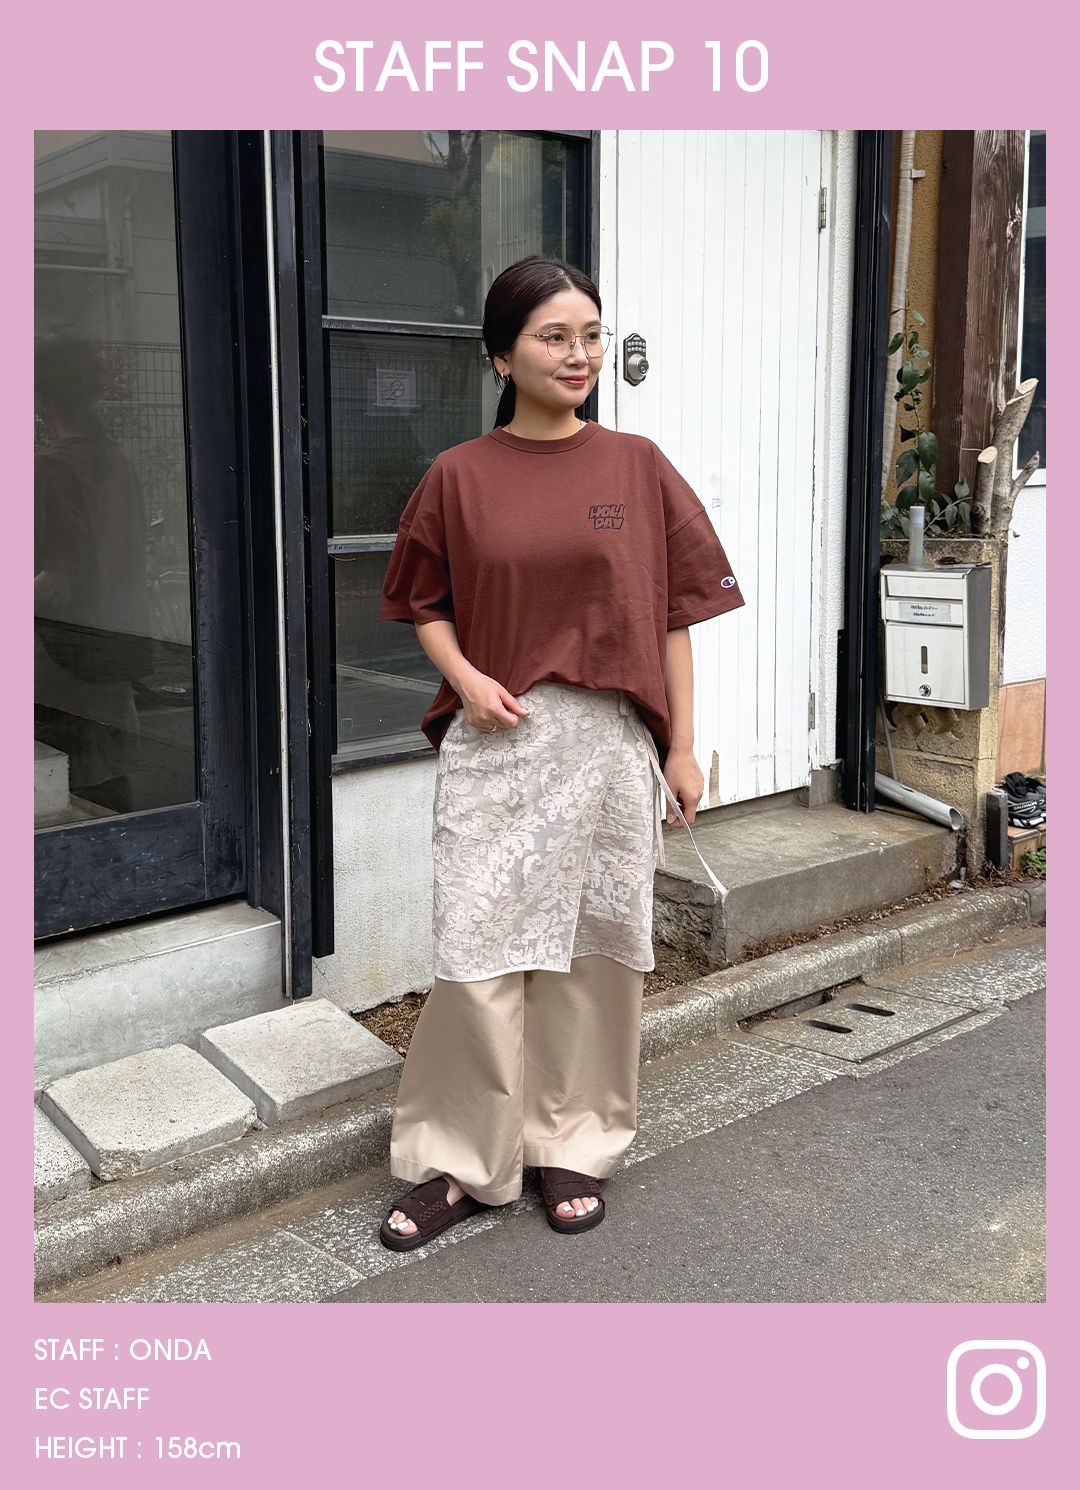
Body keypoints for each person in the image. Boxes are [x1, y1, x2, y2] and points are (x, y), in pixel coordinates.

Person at [377, 254, 744, 1248]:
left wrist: (683, 747)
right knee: (477, 951)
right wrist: (464, 678)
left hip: (609, 744)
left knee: (594, 952)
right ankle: (460, 1158)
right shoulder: (459, 475)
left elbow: (672, 615)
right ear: (501, 356)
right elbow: (422, 603)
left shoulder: (637, 466)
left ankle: (571, 1139)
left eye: (590, 335)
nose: (579, 354)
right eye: (553, 337)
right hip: (499, 741)